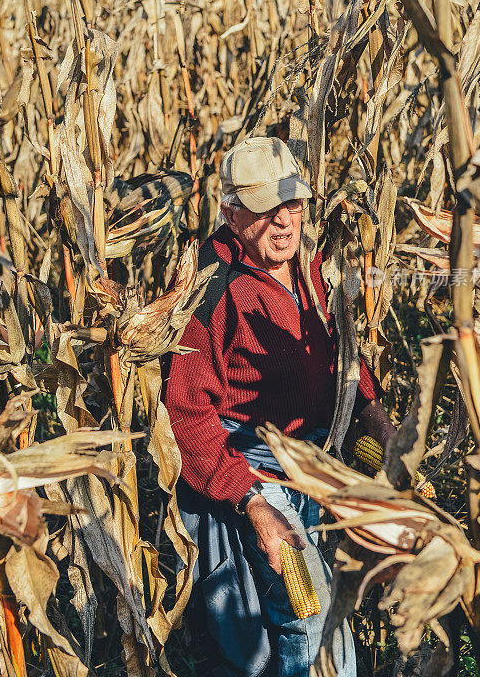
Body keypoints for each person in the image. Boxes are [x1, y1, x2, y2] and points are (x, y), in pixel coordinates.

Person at [161, 137, 396, 677]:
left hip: (315, 466)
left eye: (293, 204)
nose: (285, 221)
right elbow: (188, 411)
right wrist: (252, 501)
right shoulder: (212, 290)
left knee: (341, 604)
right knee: (308, 616)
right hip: (258, 474)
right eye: (267, 209)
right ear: (230, 212)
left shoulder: (316, 269)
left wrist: (376, 421)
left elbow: (344, 360)